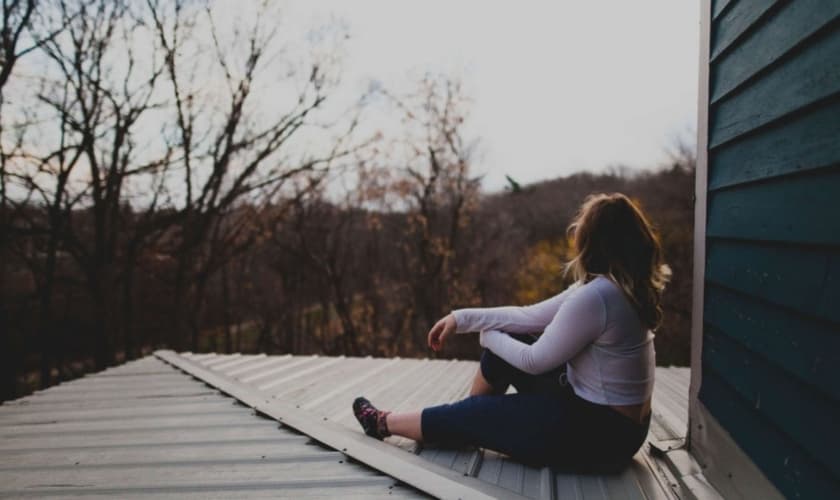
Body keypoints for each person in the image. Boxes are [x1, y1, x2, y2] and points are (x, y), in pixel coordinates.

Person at [352, 193, 671, 472]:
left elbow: (535, 361)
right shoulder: (613, 287)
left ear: (592, 241)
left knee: (491, 378)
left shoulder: (598, 297)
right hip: (615, 425)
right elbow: (529, 317)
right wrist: (461, 319)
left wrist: (487, 335)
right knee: (506, 347)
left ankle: (383, 423)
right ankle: (464, 424)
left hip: (602, 439)